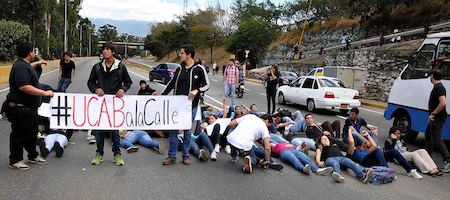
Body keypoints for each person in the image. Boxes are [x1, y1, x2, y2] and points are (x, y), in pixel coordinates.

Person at [5, 41, 53, 170]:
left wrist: (38, 63)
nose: (34, 53)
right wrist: (45, 93)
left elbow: (29, 67)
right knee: (19, 134)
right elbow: (24, 87)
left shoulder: (23, 65)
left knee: (31, 134)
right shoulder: (21, 67)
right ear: (30, 53)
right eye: (33, 51)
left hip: (29, 109)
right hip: (21, 108)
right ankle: (15, 160)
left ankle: (33, 155)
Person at [161, 44, 210, 165]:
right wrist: (161, 96)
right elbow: (171, 84)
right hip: (176, 106)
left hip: (190, 107)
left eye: (182, 53)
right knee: (173, 131)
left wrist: (197, 90)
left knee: (187, 131)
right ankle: (171, 156)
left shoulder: (199, 69)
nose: (180, 55)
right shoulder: (179, 69)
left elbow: (207, 85)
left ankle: (185, 155)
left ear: (189, 55)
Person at [87, 41, 133, 166]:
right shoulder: (97, 67)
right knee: (99, 131)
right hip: (100, 104)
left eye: (108, 49)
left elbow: (128, 82)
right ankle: (99, 154)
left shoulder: (121, 67)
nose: (105, 51)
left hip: (115, 105)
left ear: (113, 52)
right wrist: (95, 89)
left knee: (115, 131)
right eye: (104, 49)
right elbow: (90, 83)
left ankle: (117, 154)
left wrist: (122, 89)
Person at [347, 129, 423, 179]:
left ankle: (410, 170)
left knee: (393, 151)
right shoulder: (352, 151)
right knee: (378, 150)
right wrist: (350, 130)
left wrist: (367, 135)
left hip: (374, 159)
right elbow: (351, 142)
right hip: (365, 161)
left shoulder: (364, 148)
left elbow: (374, 146)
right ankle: (387, 171)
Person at [425, 69, 450, 172]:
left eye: (430, 76)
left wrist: (433, 114)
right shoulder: (438, 87)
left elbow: (443, 103)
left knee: (436, 138)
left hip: (438, 117)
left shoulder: (438, 88)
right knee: (428, 134)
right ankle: (428, 158)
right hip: (435, 116)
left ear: (432, 76)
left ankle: (447, 160)